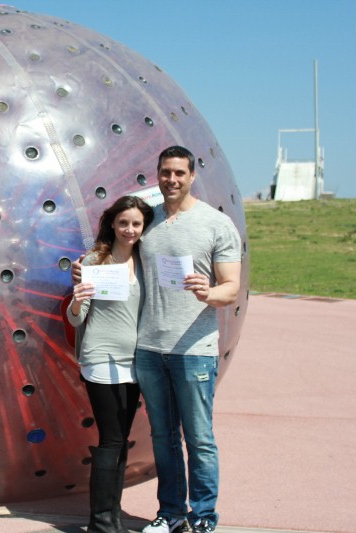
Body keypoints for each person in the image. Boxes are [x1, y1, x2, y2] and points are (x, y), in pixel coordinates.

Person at [72, 146, 242, 533]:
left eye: (180, 173)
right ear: (158, 174)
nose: (172, 179)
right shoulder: (149, 222)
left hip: (194, 351)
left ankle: (202, 516)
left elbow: (231, 288)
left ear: (192, 175)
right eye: (166, 172)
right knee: (163, 438)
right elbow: (116, 245)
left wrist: (208, 293)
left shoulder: (216, 224)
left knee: (198, 439)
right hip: (148, 350)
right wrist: (86, 268)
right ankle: (171, 513)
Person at [69, 195, 154, 533]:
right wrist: (77, 301)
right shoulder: (95, 261)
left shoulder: (147, 264)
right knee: (112, 439)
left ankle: (111, 518)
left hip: (135, 363)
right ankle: (102, 523)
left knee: (120, 440)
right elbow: (77, 319)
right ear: (112, 224)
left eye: (136, 223)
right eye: (123, 223)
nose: (129, 229)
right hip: (101, 360)